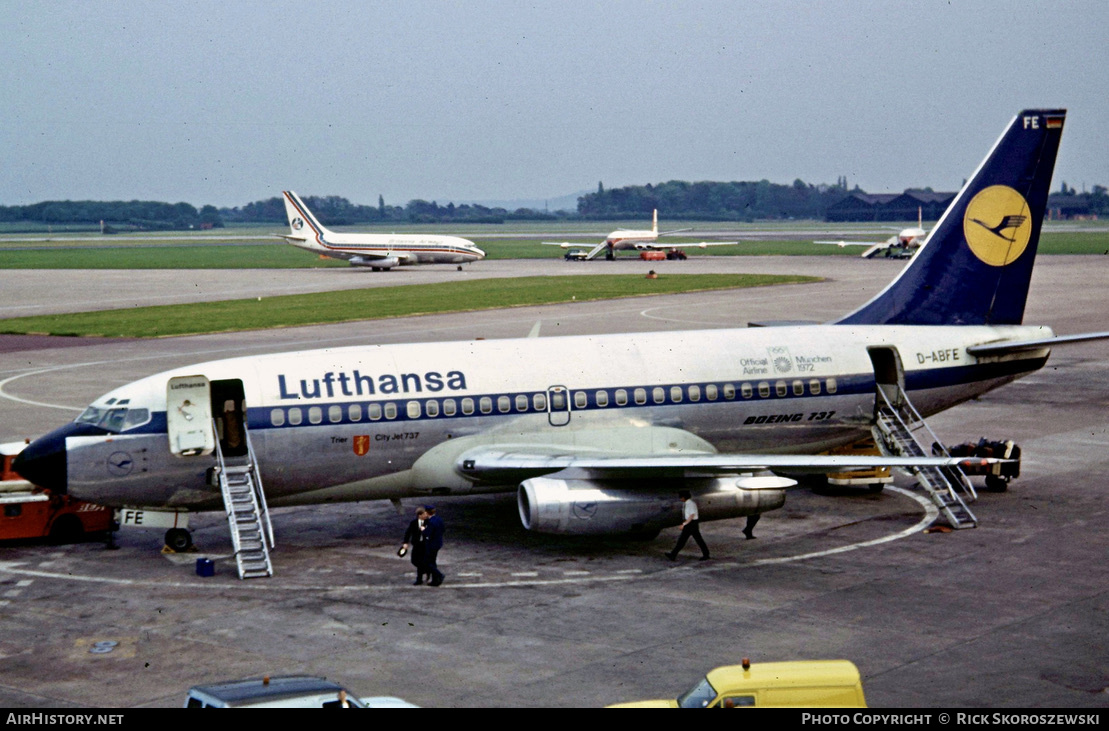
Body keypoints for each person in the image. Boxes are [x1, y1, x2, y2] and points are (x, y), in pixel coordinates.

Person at [666, 490, 709, 560]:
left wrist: (684, 524)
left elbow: (691, 515)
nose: (680, 499)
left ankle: (673, 554)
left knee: (684, 540)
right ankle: (673, 554)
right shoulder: (687, 503)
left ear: (684, 497)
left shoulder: (690, 504)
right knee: (694, 539)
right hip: (691, 523)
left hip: (691, 524)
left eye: (681, 497)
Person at [400, 507, 428, 585]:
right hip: (417, 544)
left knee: (421, 561)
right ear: (420, 515)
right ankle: (426, 569)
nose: (426, 515)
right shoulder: (414, 523)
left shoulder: (428, 522)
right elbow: (408, 532)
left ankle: (419, 579)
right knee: (414, 560)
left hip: (425, 544)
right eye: (424, 514)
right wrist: (405, 542)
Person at [422, 505, 446, 586]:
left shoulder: (431, 522)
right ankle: (435, 580)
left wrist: (423, 530)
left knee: (427, 562)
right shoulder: (439, 519)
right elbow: (443, 529)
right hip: (438, 542)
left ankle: (439, 575)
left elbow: (428, 533)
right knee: (433, 561)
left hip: (432, 544)